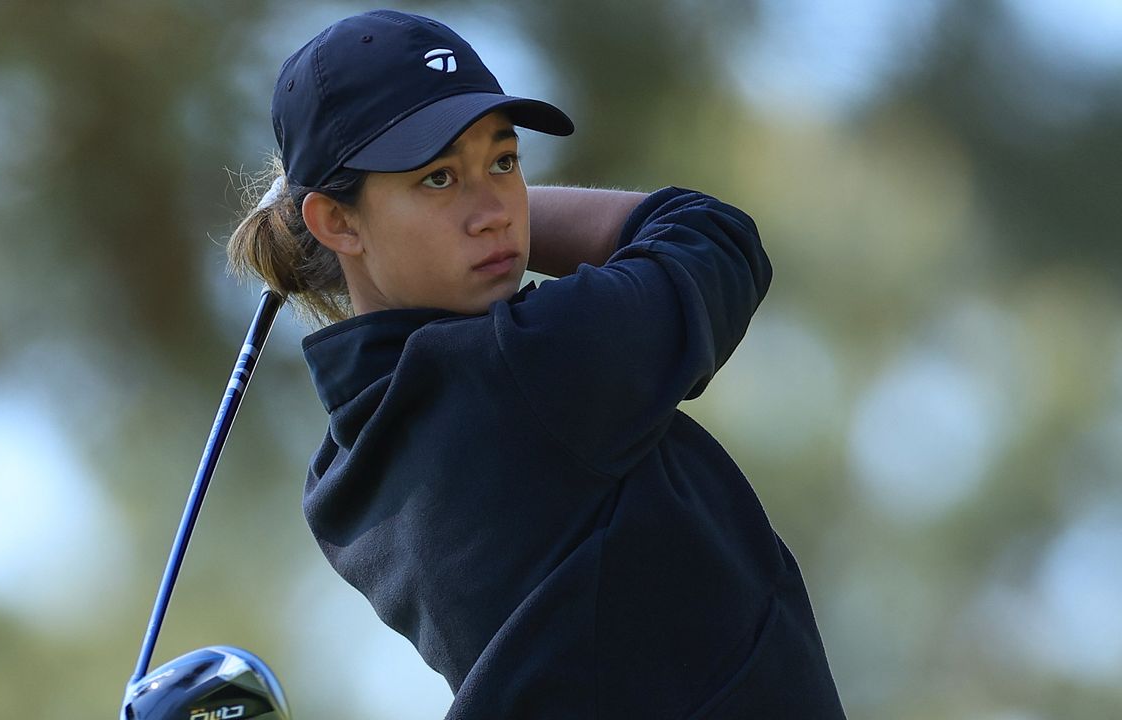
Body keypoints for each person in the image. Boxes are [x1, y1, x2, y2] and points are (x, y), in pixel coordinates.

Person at [227, 9, 845, 719]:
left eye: (504, 161)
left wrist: (469, 213)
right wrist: (510, 222)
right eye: (436, 179)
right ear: (335, 222)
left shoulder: (343, 467)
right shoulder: (525, 369)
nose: (493, 208)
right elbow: (714, 241)